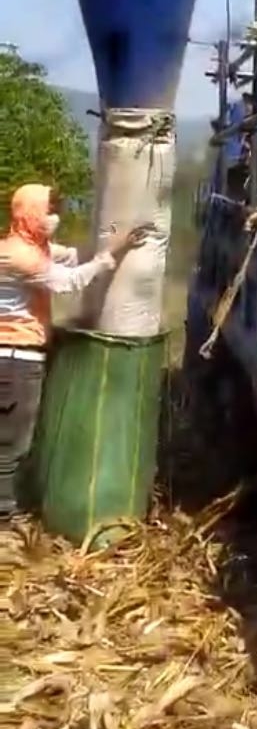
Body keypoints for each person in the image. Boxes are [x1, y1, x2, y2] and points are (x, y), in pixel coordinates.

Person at [0, 183, 150, 516]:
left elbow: (73, 256)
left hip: (18, 357)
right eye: (49, 210)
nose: (55, 217)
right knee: (11, 443)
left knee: (15, 440)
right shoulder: (20, 256)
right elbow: (69, 281)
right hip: (13, 359)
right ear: (30, 213)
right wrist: (114, 251)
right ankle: (4, 518)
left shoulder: (31, 247)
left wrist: (111, 242)